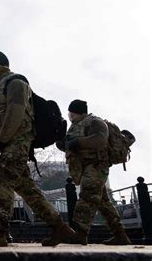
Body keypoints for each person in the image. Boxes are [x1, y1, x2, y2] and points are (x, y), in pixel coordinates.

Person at [0, 51, 77, 247]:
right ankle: (60, 228)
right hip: (4, 142)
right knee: (28, 190)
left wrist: (2, 139)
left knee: (3, 180)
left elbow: (16, 112)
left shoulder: (16, 82)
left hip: (18, 140)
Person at [56, 99, 131, 245]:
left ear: (78, 112)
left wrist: (77, 143)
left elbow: (100, 140)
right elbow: (74, 146)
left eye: (72, 112)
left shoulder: (95, 122)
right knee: (104, 204)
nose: (70, 115)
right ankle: (120, 235)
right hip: (86, 167)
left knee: (87, 196)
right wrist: (64, 145)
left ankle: (80, 233)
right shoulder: (75, 126)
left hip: (96, 165)